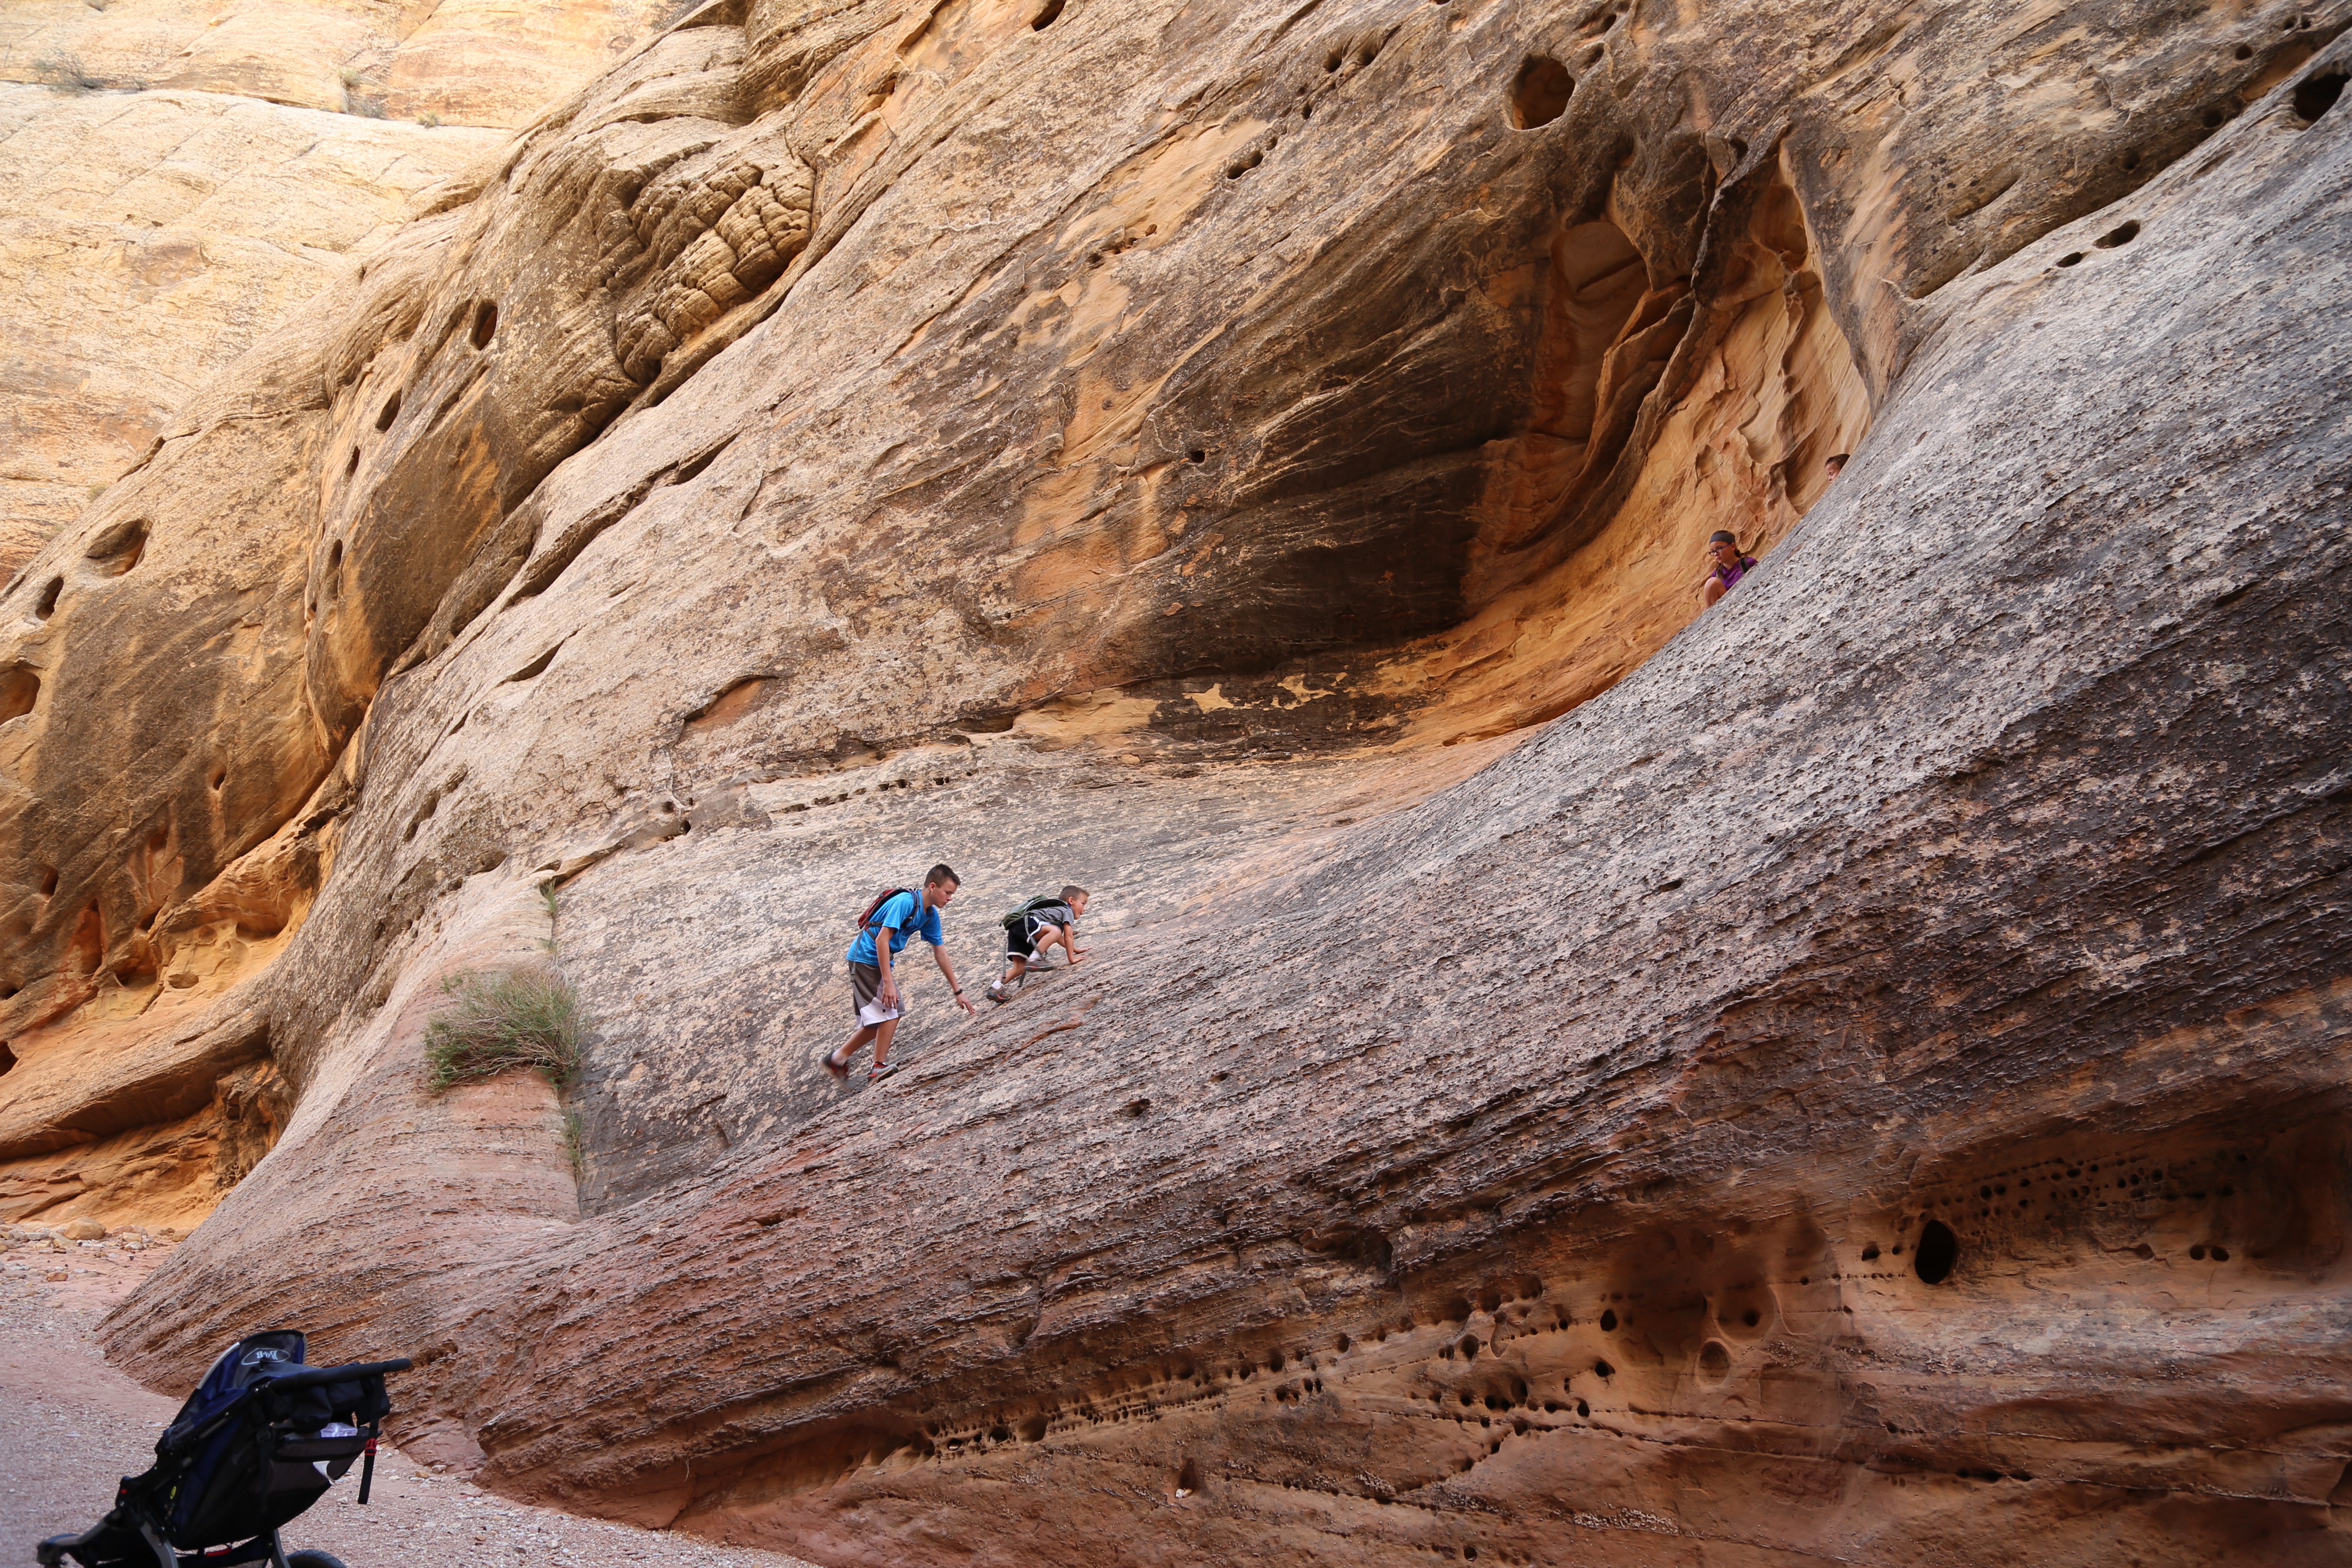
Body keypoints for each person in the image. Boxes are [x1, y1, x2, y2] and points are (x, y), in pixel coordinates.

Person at [822, 863, 975, 1082]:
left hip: (874, 960)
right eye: (948, 892)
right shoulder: (905, 902)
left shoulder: (930, 915)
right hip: (865, 957)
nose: (950, 898)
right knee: (892, 1009)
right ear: (933, 887)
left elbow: (940, 953)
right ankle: (877, 1067)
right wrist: (889, 982)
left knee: (879, 1021)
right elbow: (881, 939)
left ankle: (837, 1060)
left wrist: (958, 991)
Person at [985, 886, 1090, 1003]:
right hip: (1028, 923)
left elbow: (1058, 938)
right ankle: (1035, 959)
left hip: (1017, 930)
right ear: (1071, 901)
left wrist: (1075, 949)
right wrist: (1072, 958)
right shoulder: (1067, 910)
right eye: (1083, 903)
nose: (1084, 909)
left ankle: (996, 987)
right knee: (1055, 930)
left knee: (1019, 969)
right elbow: (1068, 936)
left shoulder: (1054, 913)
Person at [1695, 531, 1759, 609]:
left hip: (1751, 603)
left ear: (1733, 547)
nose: (1716, 554)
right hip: (1730, 610)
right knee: (1711, 583)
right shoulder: (1717, 575)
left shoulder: (1748, 564)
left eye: (1719, 549)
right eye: (1713, 551)